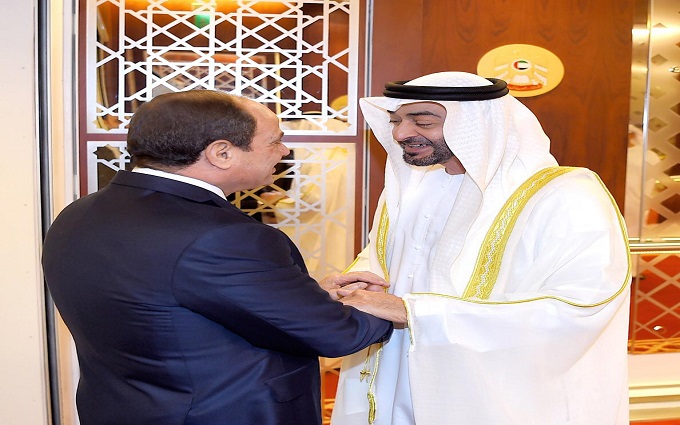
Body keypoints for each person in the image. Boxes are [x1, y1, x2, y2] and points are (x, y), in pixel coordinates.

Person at [41, 90, 394, 425]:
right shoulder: (223, 235)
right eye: (274, 141)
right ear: (221, 153)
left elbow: (169, 300)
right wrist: (400, 308)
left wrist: (303, 297)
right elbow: (337, 334)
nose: (284, 151)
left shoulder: (78, 214)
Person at [331, 72, 631, 425]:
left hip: (499, 396)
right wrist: (357, 282)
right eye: (395, 121)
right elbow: (387, 260)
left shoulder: (565, 195)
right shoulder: (411, 188)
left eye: (423, 122)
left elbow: (581, 306)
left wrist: (415, 312)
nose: (400, 134)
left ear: (476, 125)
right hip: (397, 375)